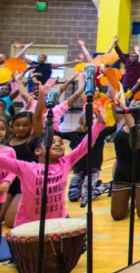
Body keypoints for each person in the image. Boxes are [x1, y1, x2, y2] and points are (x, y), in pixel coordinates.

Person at [0, 82, 105, 227]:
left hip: (58, 221)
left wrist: (98, 124)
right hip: (30, 223)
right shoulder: (26, 167)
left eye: (61, 143)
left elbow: (85, 146)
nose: (58, 144)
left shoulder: (66, 162)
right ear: (37, 151)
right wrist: (42, 96)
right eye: (52, 141)